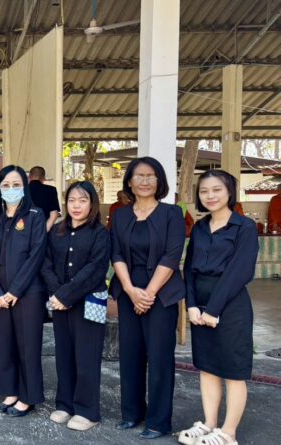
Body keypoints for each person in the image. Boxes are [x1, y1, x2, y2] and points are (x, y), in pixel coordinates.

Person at [178, 170, 259, 445]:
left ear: (229, 192)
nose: (210, 196)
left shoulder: (244, 227)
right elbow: (189, 269)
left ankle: (228, 433)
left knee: (233, 370)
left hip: (231, 305)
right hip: (200, 306)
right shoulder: (199, 228)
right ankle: (209, 424)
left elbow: (240, 271)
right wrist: (191, 305)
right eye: (204, 191)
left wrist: (213, 309)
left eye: (216, 190)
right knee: (208, 367)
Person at [110, 156, 185, 440]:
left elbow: (172, 255)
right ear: (129, 182)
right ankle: (132, 413)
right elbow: (116, 253)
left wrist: (149, 293)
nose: (144, 181)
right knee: (130, 355)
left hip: (161, 295)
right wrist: (131, 290)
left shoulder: (172, 214)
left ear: (159, 181)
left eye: (150, 176)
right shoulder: (120, 215)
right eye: (138, 176)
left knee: (160, 357)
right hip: (128, 291)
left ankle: (158, 421)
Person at [41, 181, 110, 431]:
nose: (76, 205)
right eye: (72, 200)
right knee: (64, 355)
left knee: (86, 357)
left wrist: (65, 294)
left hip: (89, 301)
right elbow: (45, 263)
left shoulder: (100, 233)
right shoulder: (56, 231)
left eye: (82, 200)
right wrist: (57, 294)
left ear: (92, 204)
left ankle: (87, 411)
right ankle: (65, 404)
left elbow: (96, 268)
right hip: (60, 303)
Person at [0, 164, 47, 417]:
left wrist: (15, 291)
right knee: (3, 343)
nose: (11, 189)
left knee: (27, 345)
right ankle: (10, 391)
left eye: (16, 185)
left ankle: (28, 397)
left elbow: (36, 255)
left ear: (25, 187)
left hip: (27, 292)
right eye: (6, 185)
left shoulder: (35, 215)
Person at [28, 166, 61, 231]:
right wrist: (43, 232)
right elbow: (54, 215)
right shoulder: (51, 190)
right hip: (44, 230)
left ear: (29, 177)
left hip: (24, 232)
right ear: (43, 178)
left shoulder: (22, 191)